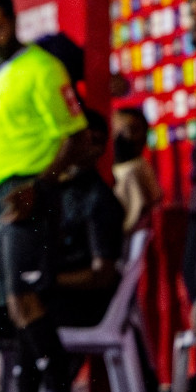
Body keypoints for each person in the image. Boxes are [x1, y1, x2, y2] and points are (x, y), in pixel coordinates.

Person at [0, 0, 89, 392]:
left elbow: (76, 139)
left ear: (13, 20)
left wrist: (39, 186)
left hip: (33, 196)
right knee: (17, 312)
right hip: (0, 197)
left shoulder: (43, 67)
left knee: (25, 303)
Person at [52, 111, 126, 332]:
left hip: (83, 305)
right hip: (62, 296)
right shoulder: (64, 190)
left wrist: (49, 281)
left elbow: (103, 275)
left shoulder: (98, 199)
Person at [110, 108, 163, 236]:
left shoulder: (133, 170)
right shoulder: (121, 168)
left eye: (131, 130)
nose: (121, 136)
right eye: (117, 129)